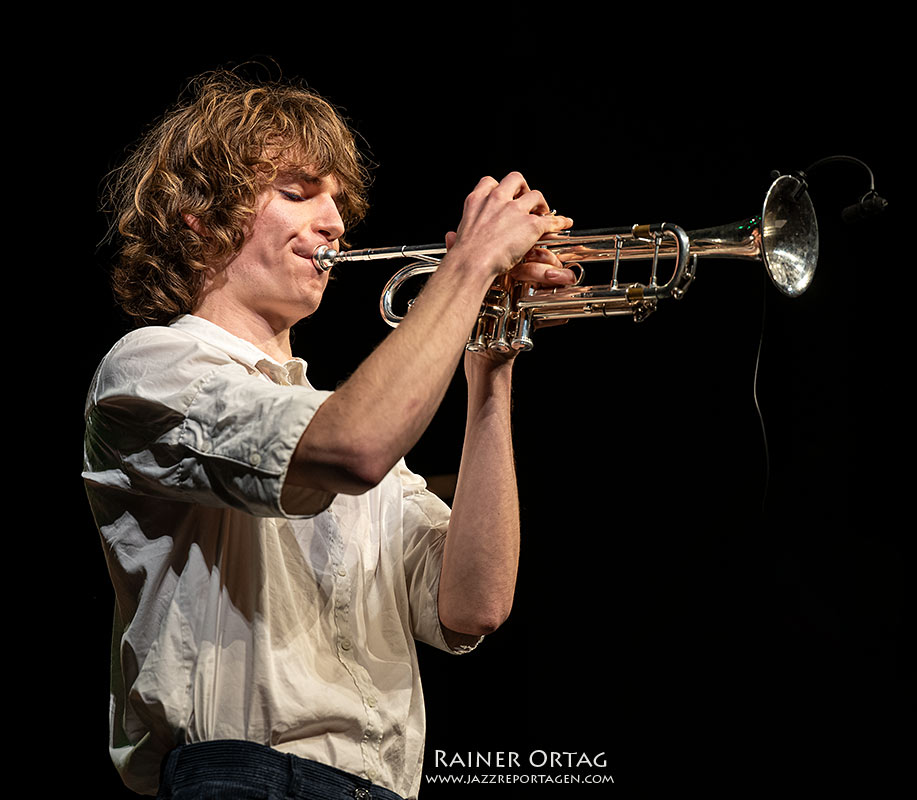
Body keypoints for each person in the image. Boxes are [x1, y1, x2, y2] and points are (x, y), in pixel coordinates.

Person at [83, 69, 575, 800]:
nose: (334, 223)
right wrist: (469, 265)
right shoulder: (151, 368)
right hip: (244, 778)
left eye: (337, 200)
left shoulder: (336, 411)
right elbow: (353, 447)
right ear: (199, 216)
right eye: (297, 191)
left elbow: (473, 603)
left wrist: (489, 367)